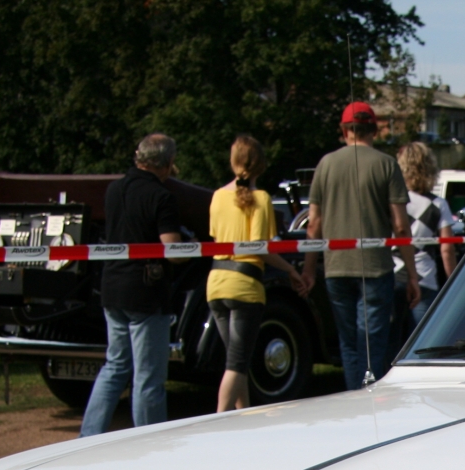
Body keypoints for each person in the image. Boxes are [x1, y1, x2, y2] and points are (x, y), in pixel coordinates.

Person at [300, 102, 419, 388]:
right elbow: (401, 225)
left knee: (349, 344)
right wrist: (413, 274)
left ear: (344, 130)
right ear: (374, 130)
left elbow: (313, 224)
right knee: (373, 346)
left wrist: (308, 269)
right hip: (375, 269)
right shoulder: (386, 164)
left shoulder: (326, 164)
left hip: (336, 268)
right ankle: (369, 403)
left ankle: (353, 400)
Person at [81, 133, 184, 437]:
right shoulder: (161, 196)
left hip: (112, 286)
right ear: (167, 163)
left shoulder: (114, 190)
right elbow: (172, 248)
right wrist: (194, 247)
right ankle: (150, 442)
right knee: (148, 377)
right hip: (145, 293)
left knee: (114, 367)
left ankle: (88, 436)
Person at [203, 135, 308, 414]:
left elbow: (218, 238)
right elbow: (260, 247)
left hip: (216, 284)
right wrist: (289, 270)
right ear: (260, 165)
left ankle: (243, 416)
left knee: (237, 360)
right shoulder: (261, 199)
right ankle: (221, 418)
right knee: (237, 363)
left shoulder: (216, 197)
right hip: (245, 286)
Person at [393, 140, 458, 325]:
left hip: (393, 276)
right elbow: (447, 250)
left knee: (391, 343)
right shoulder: (438, 205)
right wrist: (454, 282)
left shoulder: (393, 203)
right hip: (424, 278)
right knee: (422, 345)